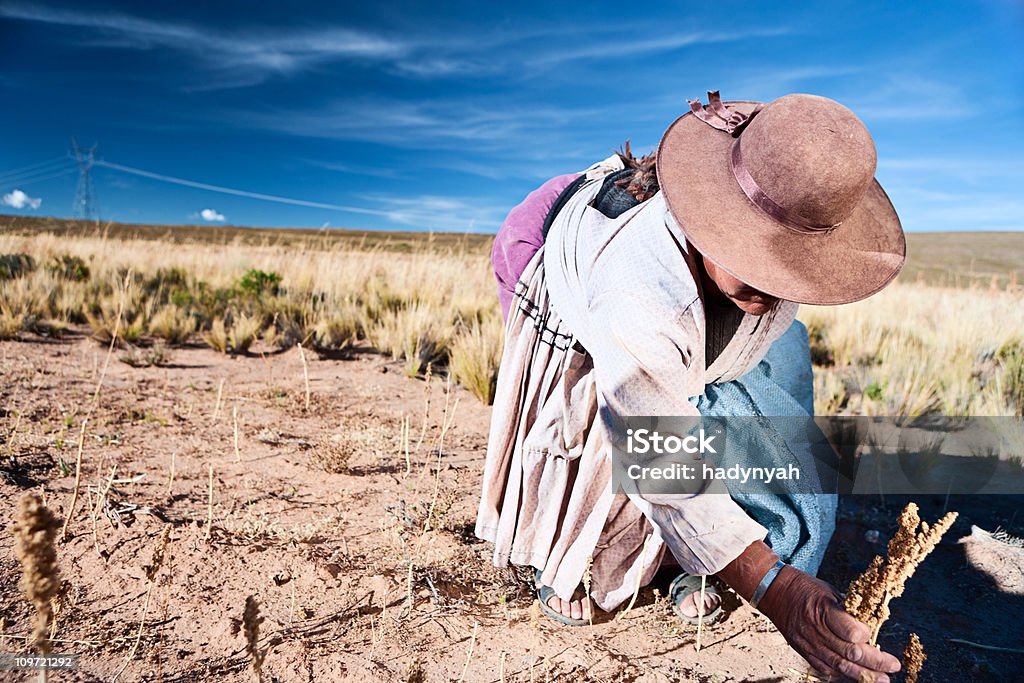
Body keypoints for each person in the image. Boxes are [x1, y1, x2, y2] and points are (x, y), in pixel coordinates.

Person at [475, 91, 907, 682]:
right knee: (605, 419)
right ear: (716, 216)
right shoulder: (636, 289)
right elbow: (656, 443)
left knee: (776, 370)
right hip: (548, 247)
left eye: (788, 263)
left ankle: (701, 559)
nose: (769, 284)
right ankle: (571, 565)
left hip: (672, 302)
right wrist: (776, 590)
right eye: (754, 253)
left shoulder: (780, 232)